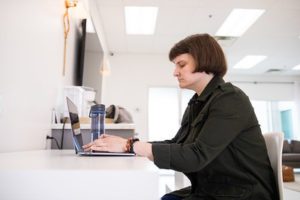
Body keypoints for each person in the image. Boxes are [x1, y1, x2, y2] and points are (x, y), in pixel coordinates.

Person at [83, 33, 279, 200]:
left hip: (242, 194)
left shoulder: (230, 99)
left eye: (181, 64)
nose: (175, 72)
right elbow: (177, 143)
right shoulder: (198, 102)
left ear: (204, 59)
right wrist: (129, 145)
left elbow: (196, 156)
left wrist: (131, 146)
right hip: (214, 189)